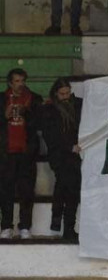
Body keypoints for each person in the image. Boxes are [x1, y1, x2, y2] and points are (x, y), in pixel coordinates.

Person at [0, 69, 42, 240]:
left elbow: (40, 123)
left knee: (27, 192)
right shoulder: (1, 99)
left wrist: (28, 113)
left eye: (23, 80)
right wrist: (4, 116)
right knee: (5, 191)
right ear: (10, 83)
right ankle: (6, 226)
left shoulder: (34, 99)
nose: (20, 84)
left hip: (26, 153)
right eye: (17, 81)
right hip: (6, 153)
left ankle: (25, 226)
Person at [39, 78, 82, 239]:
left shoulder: (75, 105)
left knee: (69, 191)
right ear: (56, 94)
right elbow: (51, 136)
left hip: (72, 156)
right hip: (60, 156)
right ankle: (67, 227)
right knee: (69, 191)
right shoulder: (49, 110)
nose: (65, 96)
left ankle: (63, 226)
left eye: (67, 93)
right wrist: (69, 147)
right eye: (62, 94)